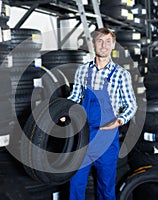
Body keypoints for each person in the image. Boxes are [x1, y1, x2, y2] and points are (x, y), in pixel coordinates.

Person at [66, 27, 137, 199]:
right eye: (100, 41)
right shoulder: (83, 71)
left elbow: (131, 105)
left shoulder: (121, 74)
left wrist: (119, 121)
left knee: (106, 187)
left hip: (106, 137)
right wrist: (63, 111)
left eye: (107, 41)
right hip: (83, 136)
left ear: (113, 45)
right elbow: (75, 97)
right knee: (75, 184)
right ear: (93, 44)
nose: (103, 45)